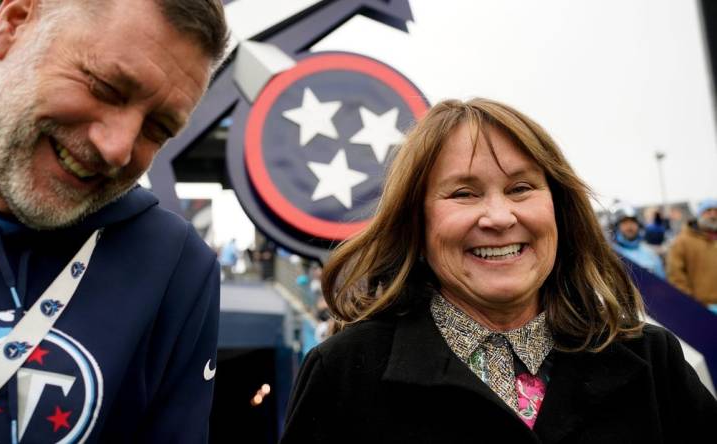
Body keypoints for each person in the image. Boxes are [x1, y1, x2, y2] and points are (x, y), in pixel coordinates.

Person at [280, 99, 717, 443]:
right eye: (464, 193)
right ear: (417, 222)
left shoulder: (650, 359)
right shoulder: (343, 372)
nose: (499, 216)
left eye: (521, 188)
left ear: (560, 210)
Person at [0, 0, 228, 442]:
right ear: (12, 24)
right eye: (106, 87)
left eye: (157, 129)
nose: (118, 149)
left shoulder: (174, 266)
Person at [666, 198, 717, 310]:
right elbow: (676, 277)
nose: (713, 215)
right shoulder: (682, 242)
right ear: (699, 215)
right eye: (708, 211)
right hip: (701, 310)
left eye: (716, 211)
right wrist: (692, 305)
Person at [610, 204, 666, 278]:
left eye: (633, 222)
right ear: (616, 226)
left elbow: (662, 285)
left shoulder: (651, 254)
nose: (629, 226)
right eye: (625, 222)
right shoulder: (611, 254)